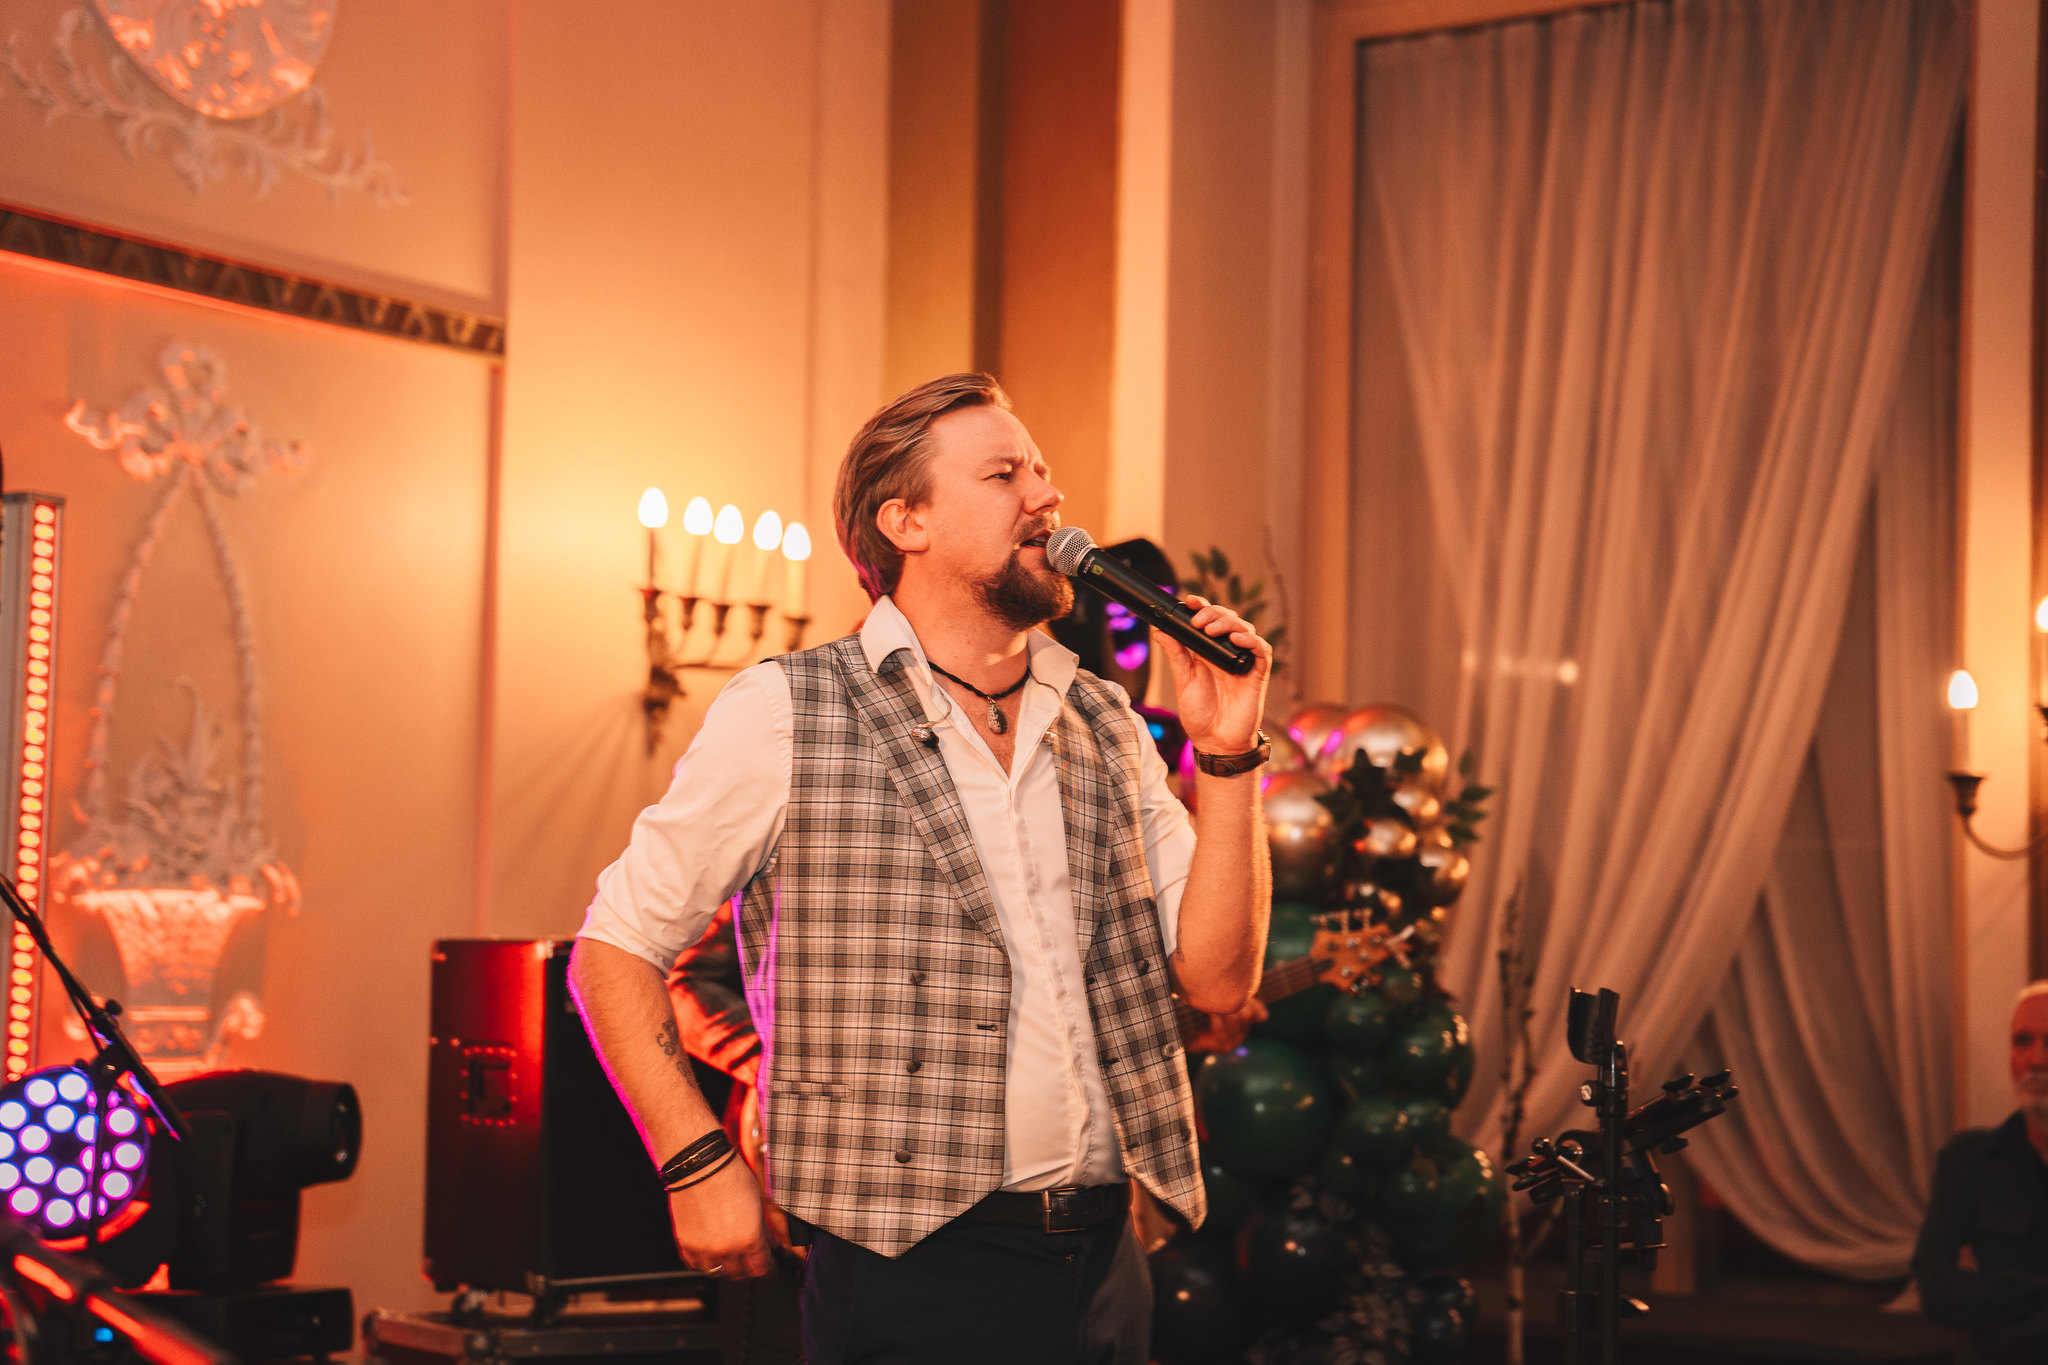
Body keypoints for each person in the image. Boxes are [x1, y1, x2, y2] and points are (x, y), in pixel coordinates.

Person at [570, 372, 1273, 1364]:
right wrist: (694, 1161)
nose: (1046, 497)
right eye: (1004, 474)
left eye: (1041, 471)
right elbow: (613, 950)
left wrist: (1230, 759)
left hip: (1106, 1257)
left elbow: (1217, 979)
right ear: (906, 522)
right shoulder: (787, 710)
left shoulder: (1104, 722)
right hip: (908, 1268)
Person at [1914, 981, 2048, 1363]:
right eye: (2022, 1042)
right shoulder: (1969, 1160)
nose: (2036, 1060)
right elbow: (1936, 1286)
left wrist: (1994, 1295)